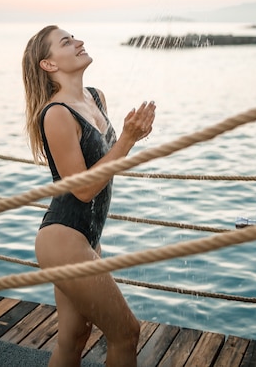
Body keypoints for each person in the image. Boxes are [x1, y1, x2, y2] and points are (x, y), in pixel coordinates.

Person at [22, 25, 156, 367]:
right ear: (48, 65)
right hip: (62, 239)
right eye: (66, 42)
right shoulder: (56, 114)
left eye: (75, 37)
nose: (79, 42)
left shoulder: (95, 97)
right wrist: (126, 140)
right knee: (126, 333)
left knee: (73, 337)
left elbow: (106, 164)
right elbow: (82, 189)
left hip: (87, 237)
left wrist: (130, 138)